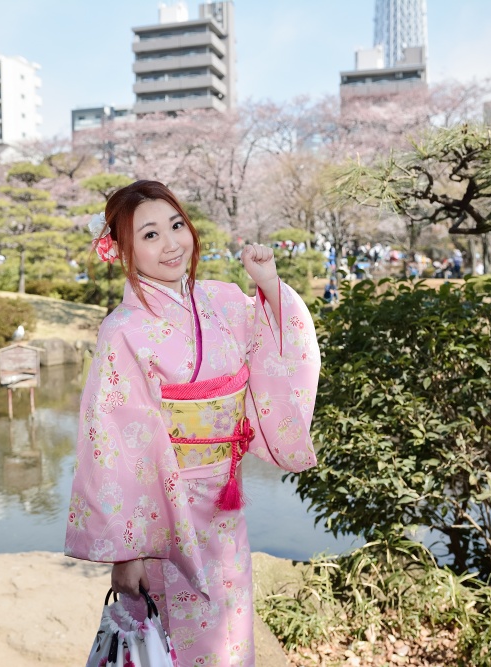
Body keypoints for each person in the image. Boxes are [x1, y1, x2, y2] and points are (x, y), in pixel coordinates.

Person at [65, 181, 320, 667]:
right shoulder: (123, 329)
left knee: (230, 633)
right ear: (123, 249)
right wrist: (127, 550)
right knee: (174, 640)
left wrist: (267, 284)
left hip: (226, 501)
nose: (171, 243)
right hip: (166, 509)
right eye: (151, 235)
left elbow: (276, 351)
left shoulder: (222, 301)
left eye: (176, 226)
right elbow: (114, 441)